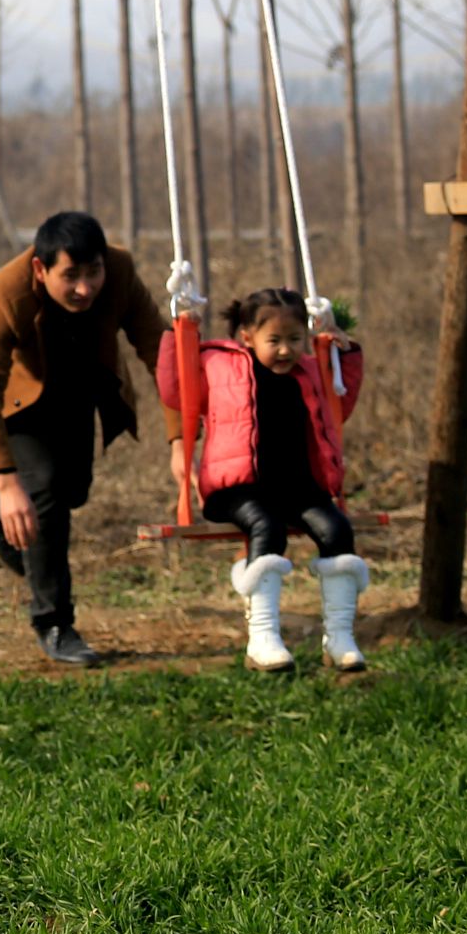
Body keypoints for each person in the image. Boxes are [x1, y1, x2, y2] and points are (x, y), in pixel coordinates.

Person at [0, 210, 171, 666]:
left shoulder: (122, 272)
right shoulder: (5, 290)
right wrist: (6, 481)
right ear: (40, 270)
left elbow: (161, 351)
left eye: (93, 273)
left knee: (70, 494)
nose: (84, 288)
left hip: (75, 397)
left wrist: (181, 441)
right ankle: (54, 623)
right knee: (41, 495)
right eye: (70, 276)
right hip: (12, 406)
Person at [162, 287, 368, 673]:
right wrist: (178, 336)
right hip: (237, 488)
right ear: (247, 336)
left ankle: (340, 637)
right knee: (267, 528)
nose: (286, 350)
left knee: (337, 530)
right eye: (274, 341)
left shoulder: (309, 371)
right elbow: (177, 391)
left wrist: (344, 355)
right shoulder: (220, 363)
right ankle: (263, 637)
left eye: (295, 340)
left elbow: (341, 402)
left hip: (296, 486)